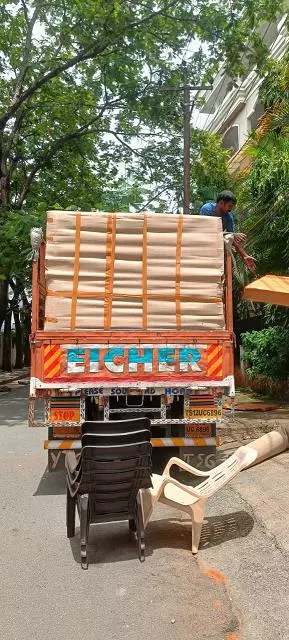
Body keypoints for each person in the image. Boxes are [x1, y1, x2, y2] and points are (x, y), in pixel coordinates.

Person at [200, 190, 256, 272]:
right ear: (221, 203)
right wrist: (232, 234)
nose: (231, 209)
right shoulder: (207, 209)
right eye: (230, 206)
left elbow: (232, 239)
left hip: (215, 247)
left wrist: (244, 255)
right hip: (202, 244)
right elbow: (206, 231)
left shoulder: (228, 217)